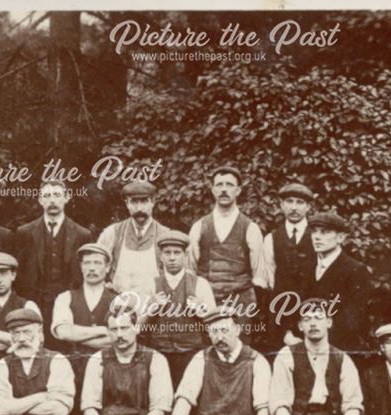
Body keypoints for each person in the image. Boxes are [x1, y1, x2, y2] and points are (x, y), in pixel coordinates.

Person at [15, 180, 93, 346]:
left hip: (68, 305)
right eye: (47, 196)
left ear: (67, 198)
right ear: (40, 200)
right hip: (34, 302)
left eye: (57, 195)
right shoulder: (24, 233)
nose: (52, 200)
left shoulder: (82, 234)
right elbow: (19, 273)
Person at [187, 165, 265, 317]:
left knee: (239, 341)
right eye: (219, 185)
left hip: (241, 303)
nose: (224, 189)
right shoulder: (199, 227)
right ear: (213, 190)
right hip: (207, 301)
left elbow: (259, 277)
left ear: (238, 191)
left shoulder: (251, 228)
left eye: (229, 185)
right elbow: (190, 271)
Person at [140, 230, 215, 386]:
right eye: (167, 253)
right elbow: (137, 327)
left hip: (192, 353)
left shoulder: (200, 284)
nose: (172, 258)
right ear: (161, 256)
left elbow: (215, 325)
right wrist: (151, 308)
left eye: (177, 252)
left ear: (185, 256)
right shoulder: (150, 284)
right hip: (159, 354)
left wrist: (202, 312)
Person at [294, 211, 371, 356]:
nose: (316, 237)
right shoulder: (306, 267)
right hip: (306, 346)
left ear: (340, 237)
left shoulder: (355, 270)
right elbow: (295, 306)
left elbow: (353, 320)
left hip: (340, 349)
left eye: (324, 232)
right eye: (314, 232)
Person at [51, 243, 118, 392]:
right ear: (81, 267)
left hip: (109, 369)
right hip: (72, 371)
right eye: (87, 263)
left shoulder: (119, 300)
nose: (92, 268)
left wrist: (77, 335)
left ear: (107, 268)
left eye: (97, 263)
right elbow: (63, 332)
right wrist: (102, 330)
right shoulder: (65, 297)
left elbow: (117, 339)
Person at [260, 183, 316, 347]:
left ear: (308, 207)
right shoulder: (271, 239)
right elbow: (271, 279)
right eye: (289, 202)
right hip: (281, 310)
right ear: (281, 206)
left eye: (299, 202)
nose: (294, 207)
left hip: (312, 308)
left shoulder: (317, 236)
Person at [97, 180, 170, 304]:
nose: (139, 208)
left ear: (153, 202)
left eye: (144, 201)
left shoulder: (165, 235)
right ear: (127, 203)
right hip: (118, 304)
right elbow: (97, 266)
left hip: (154, 307)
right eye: (134, 202)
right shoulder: (113, 233)